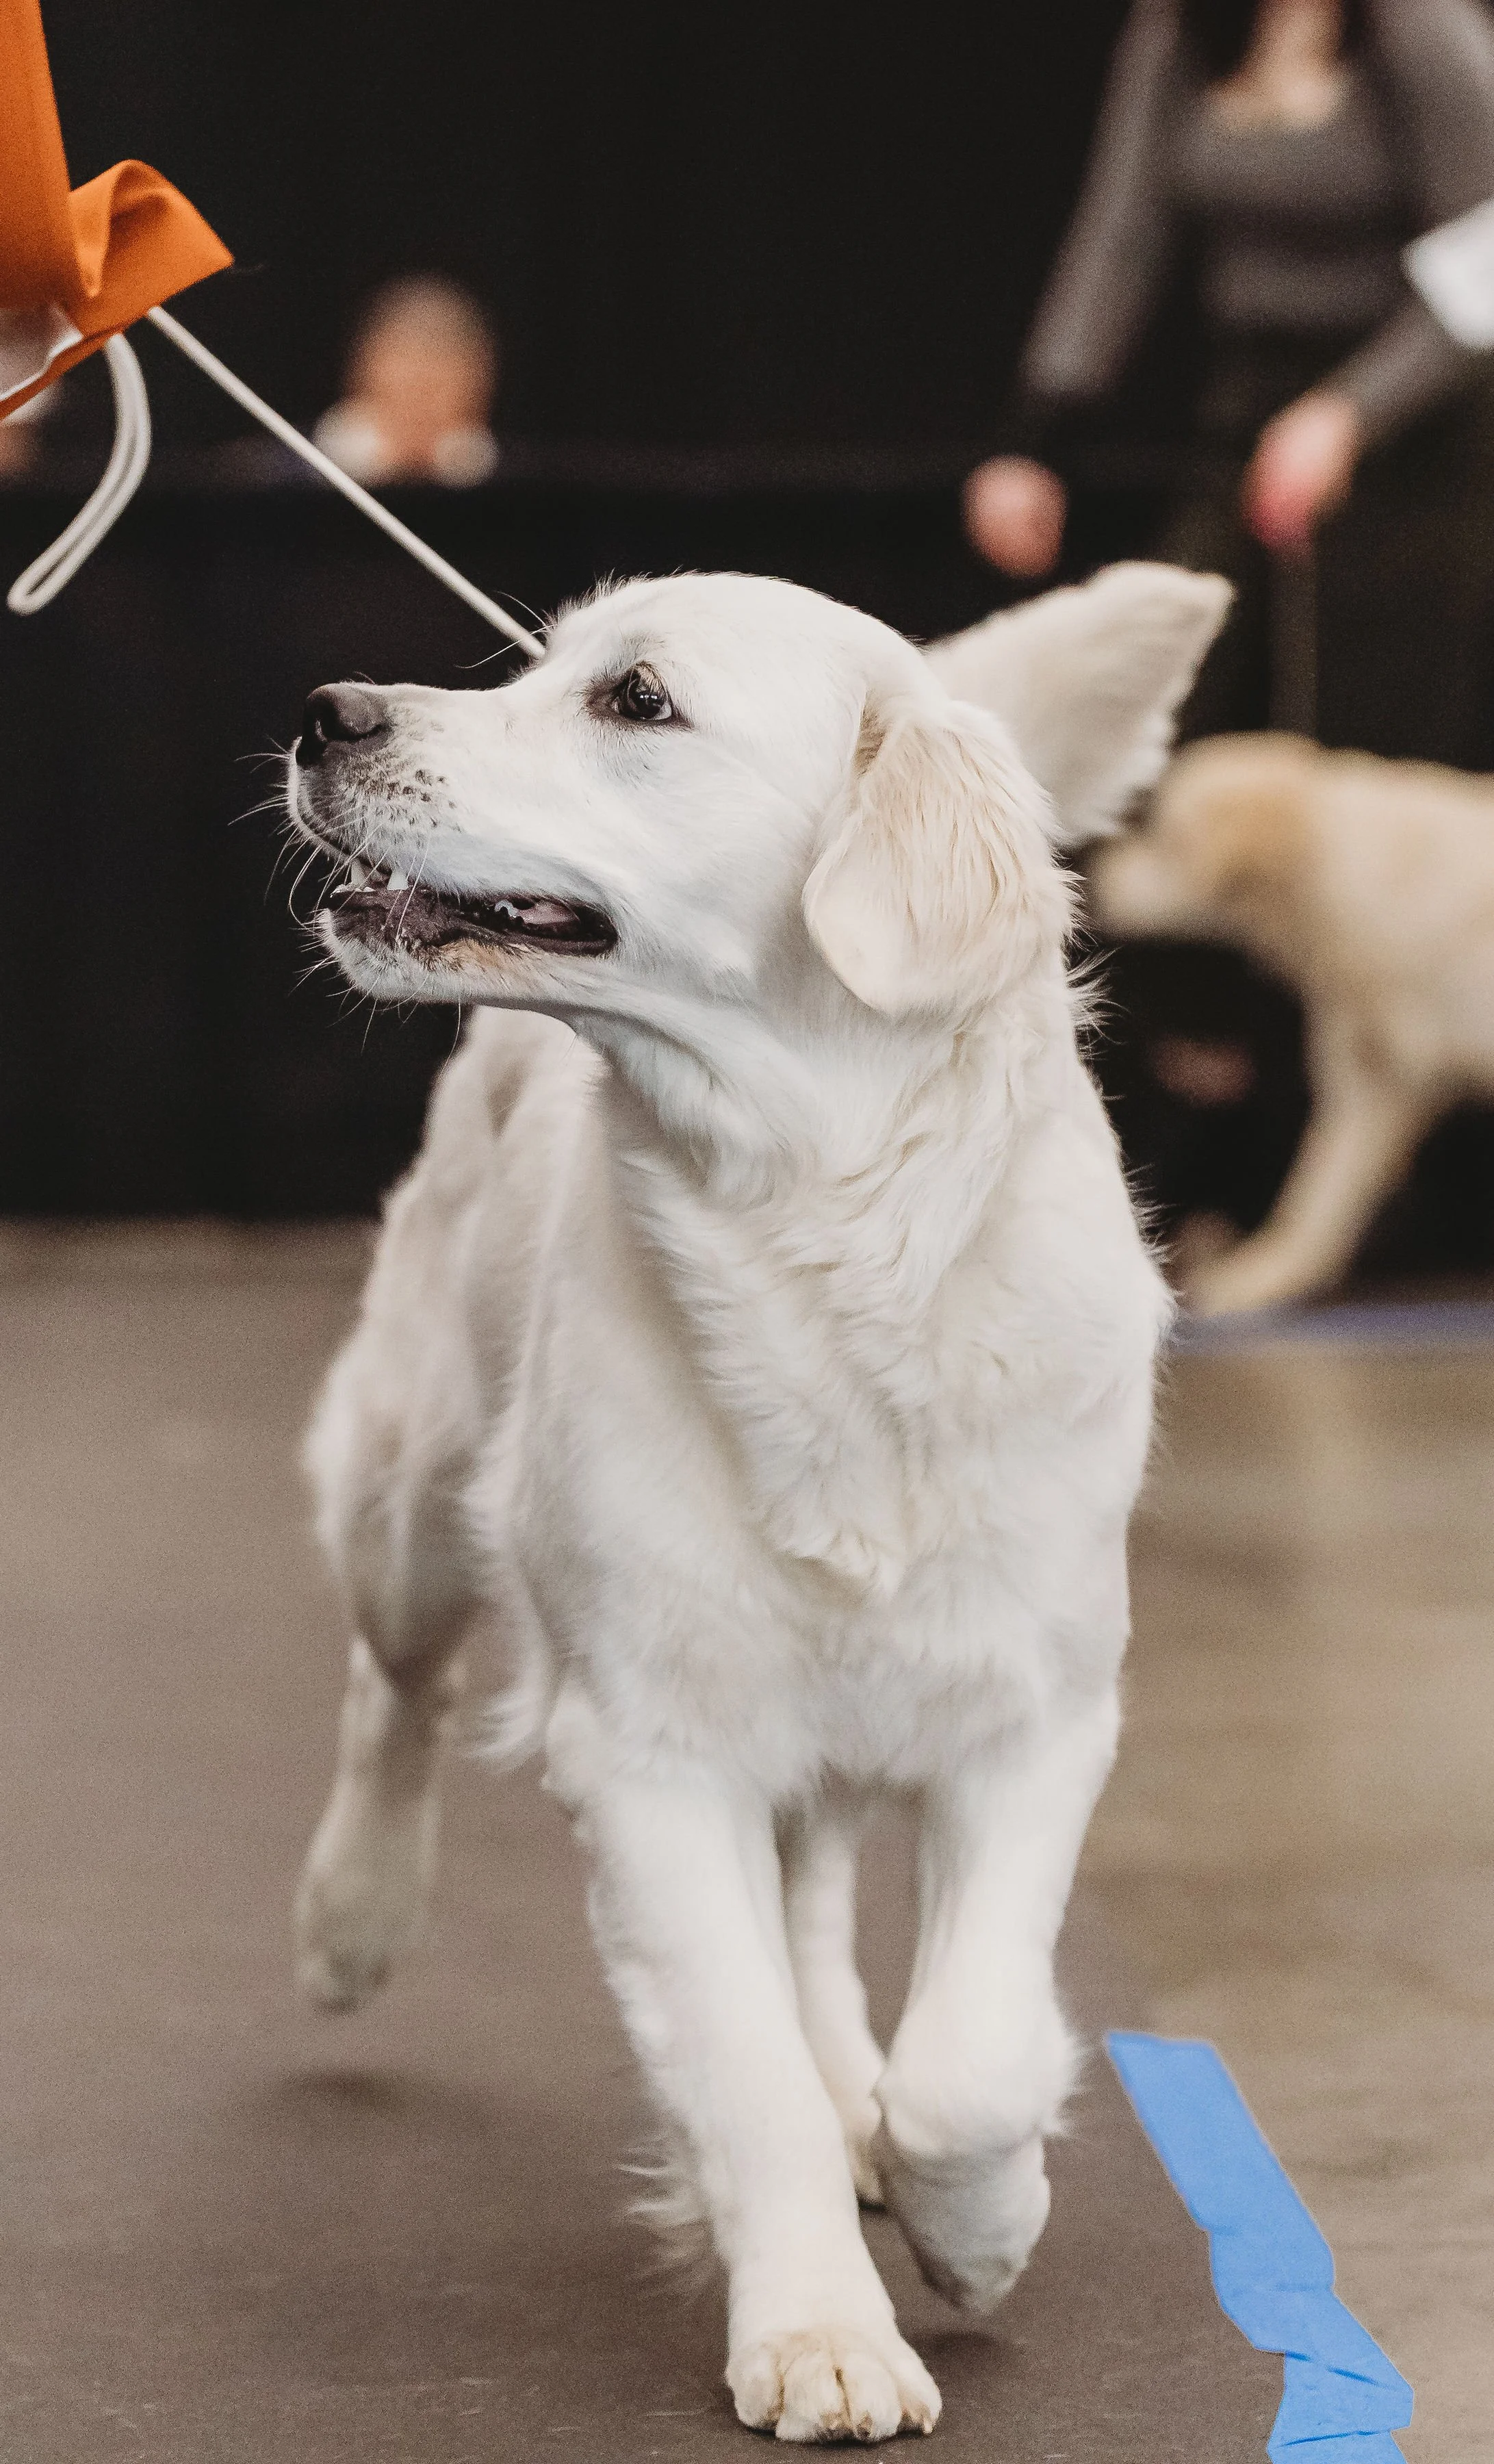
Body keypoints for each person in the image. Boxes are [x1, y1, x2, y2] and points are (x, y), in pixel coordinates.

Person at [966, 0, 1494, 1266]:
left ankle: (1365, 1194)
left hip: (1412, 437)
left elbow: (1486, 255)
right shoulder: (1179, 38)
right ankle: (1179, 1146)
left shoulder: (1415, 35)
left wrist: (1349, 416)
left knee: (1362, 817)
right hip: (1240, 415)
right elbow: (1123, 229)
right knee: (1152, 773)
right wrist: (1039, 432)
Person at [313, 275, 500, 487]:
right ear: (360, 377)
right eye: (408, 385)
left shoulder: (509, 483)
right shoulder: (301, 475)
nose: (419, 408)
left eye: (436, 389)